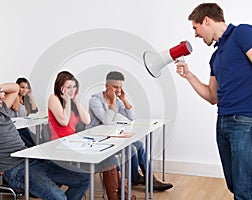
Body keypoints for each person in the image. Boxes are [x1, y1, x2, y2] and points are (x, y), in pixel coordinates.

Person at [0, 77, 89, 200]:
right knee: (59, 197)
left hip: (33, 162)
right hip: (16, 170)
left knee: (84, 178)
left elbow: (15, 88)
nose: (2, 96)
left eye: (1, 92)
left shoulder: (2, 109)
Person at [176, 3, 252, 199]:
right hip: (223, 122)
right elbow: (212, 96)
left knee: (244, 189)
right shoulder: (216, 56)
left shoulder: (241, 33)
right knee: (235, 184)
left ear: (207, 20)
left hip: (245, 120)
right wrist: (189, 75)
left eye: (196, 27)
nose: (195, 35)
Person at [48, 71, 136, 200]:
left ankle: (121, 195)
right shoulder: (53, 98)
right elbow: (63, 121)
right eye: (68, 87)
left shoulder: (72, 102)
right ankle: (120, 196)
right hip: (60, 146)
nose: (72, 90)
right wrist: (67, 100)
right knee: (109, 159)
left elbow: (87, 120)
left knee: (110, 157)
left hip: (74, 142)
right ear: (61, 87)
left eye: (74, 87)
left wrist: (75, 100)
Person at [86, 71, 173, 191]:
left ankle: (149, 180)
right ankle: (135, 178)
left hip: (111, 136)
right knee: (131, 148)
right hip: (97, 139)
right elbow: (107, 121)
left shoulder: (116, 99)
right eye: (115, 87)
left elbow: (131, 117)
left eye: (120, 87)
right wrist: (112, 101)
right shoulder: (95, 101)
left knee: (139, 145)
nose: (118, 90)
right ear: (107, 86)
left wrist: (124, 99)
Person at [8, 77, 38, 147]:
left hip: (24, 128)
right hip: (15, 129)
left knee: (38, 142)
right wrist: (16, 93)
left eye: (27, 88)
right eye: (22, 87)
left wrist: (30, 95)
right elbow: (16, 108)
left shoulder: (25, 99)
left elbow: (34, 110)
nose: (24, 90)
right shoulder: (13, 98)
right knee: (30, 145)